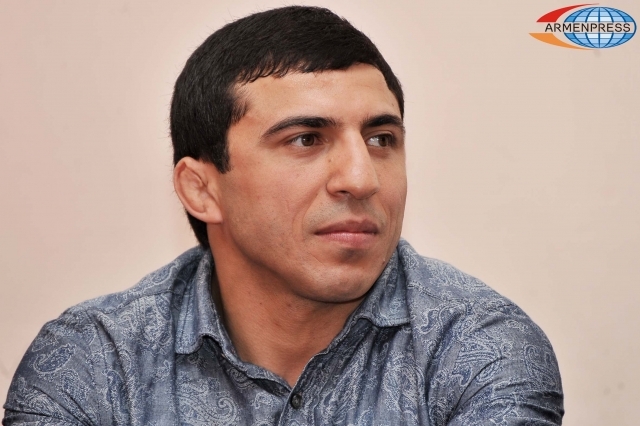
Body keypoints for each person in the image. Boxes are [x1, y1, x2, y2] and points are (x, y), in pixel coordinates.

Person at [2, 6, 563, 425]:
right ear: (202, 189)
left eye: (381, 139)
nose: (362, 178)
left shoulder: (481, 349)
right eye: (305, 139)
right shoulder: (92, 362)